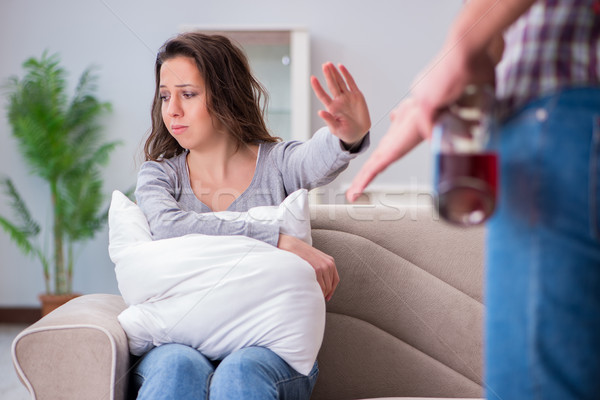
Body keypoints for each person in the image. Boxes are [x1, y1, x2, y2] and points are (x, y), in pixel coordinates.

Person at [347, 1, 600, 399]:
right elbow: (495, 46)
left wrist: (461, 45)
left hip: (560, 119)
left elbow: (487, 45)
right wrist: (448, 79)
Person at [131, 32, 371, 400]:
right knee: (178, 367)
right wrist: (275, 238)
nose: (172, 109)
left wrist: (349, 136)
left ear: (224, 93)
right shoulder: (159, 175)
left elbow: (317, 156)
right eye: (165, 96)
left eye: (188, 94)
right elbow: (168, 227)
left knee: (239, 372)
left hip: (264, 349)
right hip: (176, 343)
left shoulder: (278, 163)